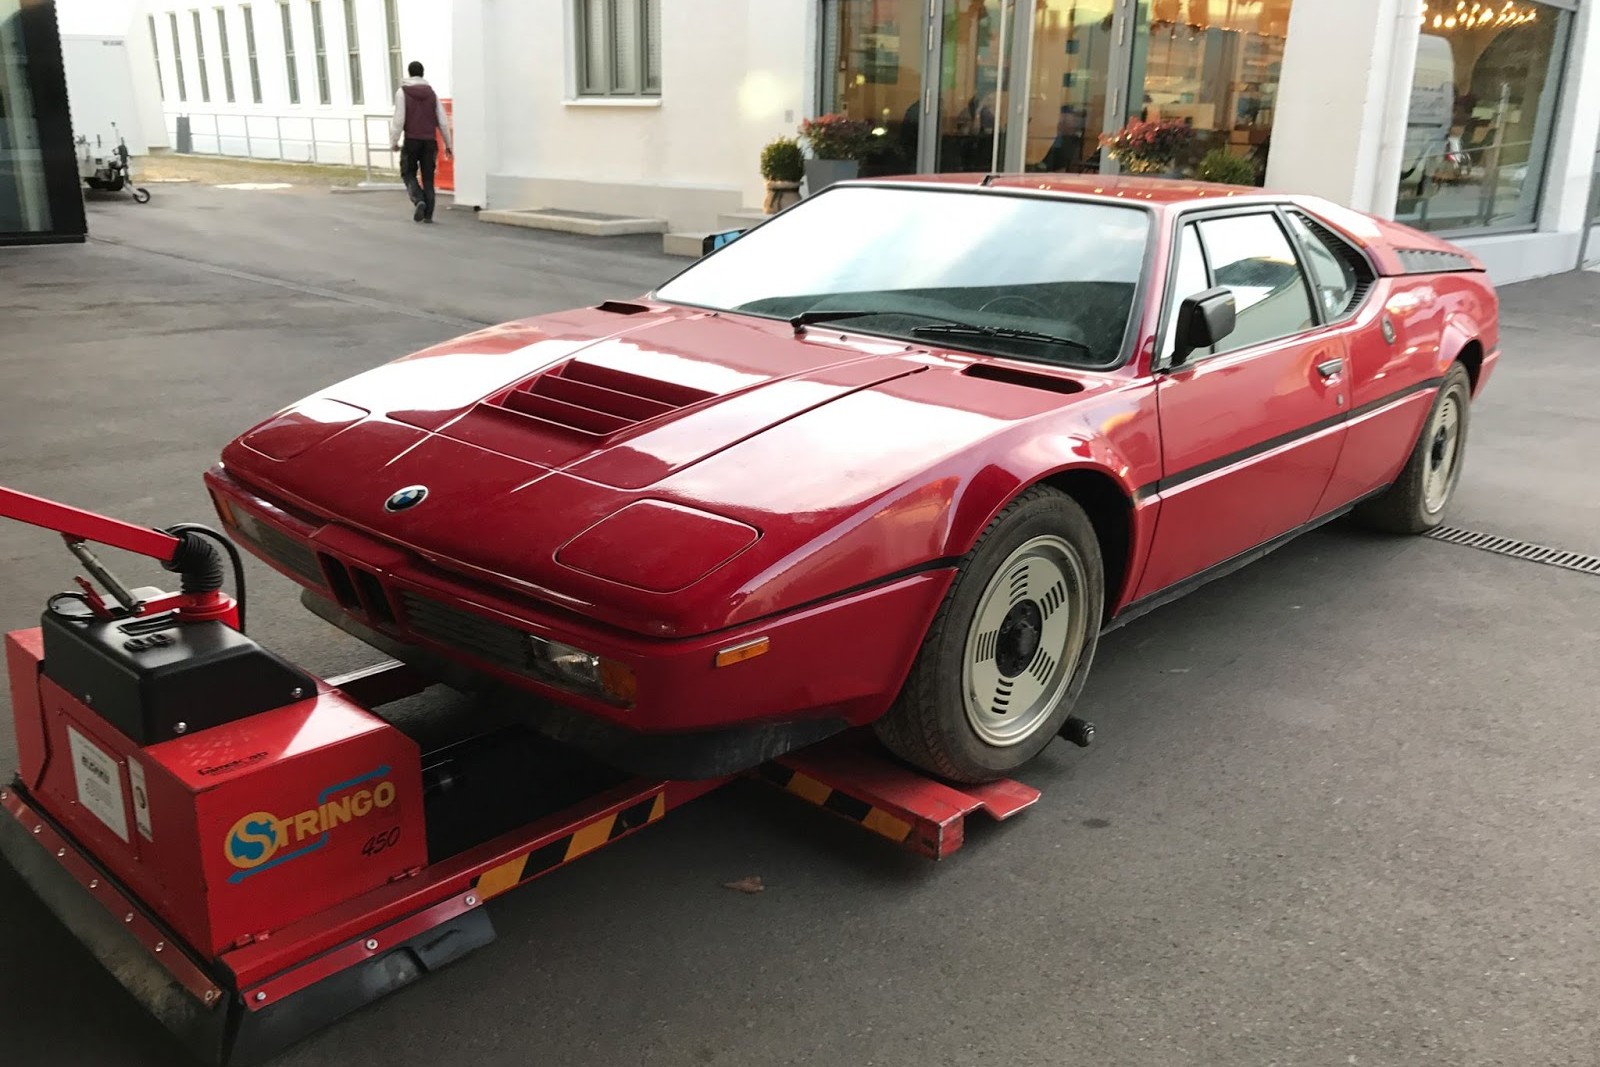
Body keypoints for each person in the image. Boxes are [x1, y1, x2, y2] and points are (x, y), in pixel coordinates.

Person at [389, 61, 453, 223]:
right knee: (428, 178)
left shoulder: (402, 93)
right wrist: (448, 144)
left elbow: (399, 119)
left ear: (409, 73)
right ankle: (429, 215)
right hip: (429, 142)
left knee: (408, 172)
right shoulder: (432, 94)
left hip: (412, 140)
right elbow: (443, 121)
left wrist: (394, 141)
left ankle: (419, 200)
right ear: (423, 73)